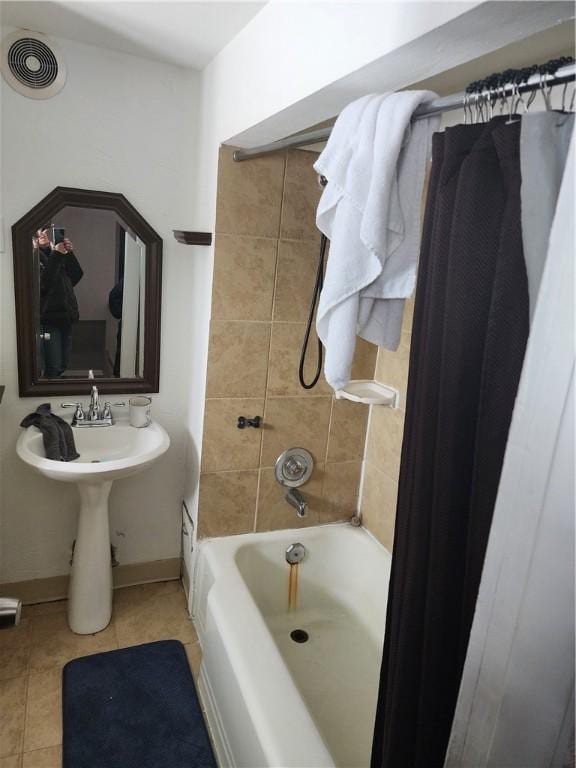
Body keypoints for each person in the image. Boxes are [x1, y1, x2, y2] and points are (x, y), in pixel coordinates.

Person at [33, 228, 83, 377]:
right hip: (48, 320)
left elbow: (76, 275)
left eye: (45, 231)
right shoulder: (34, 256)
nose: (42, 234)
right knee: (53, 367)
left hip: (66, 317)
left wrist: (68, 253)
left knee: (62, 365)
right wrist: (56, 255)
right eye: (37, 232)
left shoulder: (55, 253)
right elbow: (44, 284)